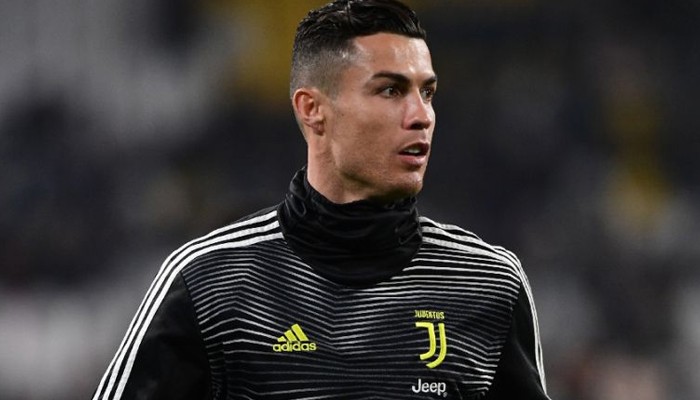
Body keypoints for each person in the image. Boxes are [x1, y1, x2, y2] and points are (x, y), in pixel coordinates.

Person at [92, 0, 550, 399]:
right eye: (390, 90)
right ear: (312, 110)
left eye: (426, 92)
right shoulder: (209, 281)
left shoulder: (487, 283)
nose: (421, 115)